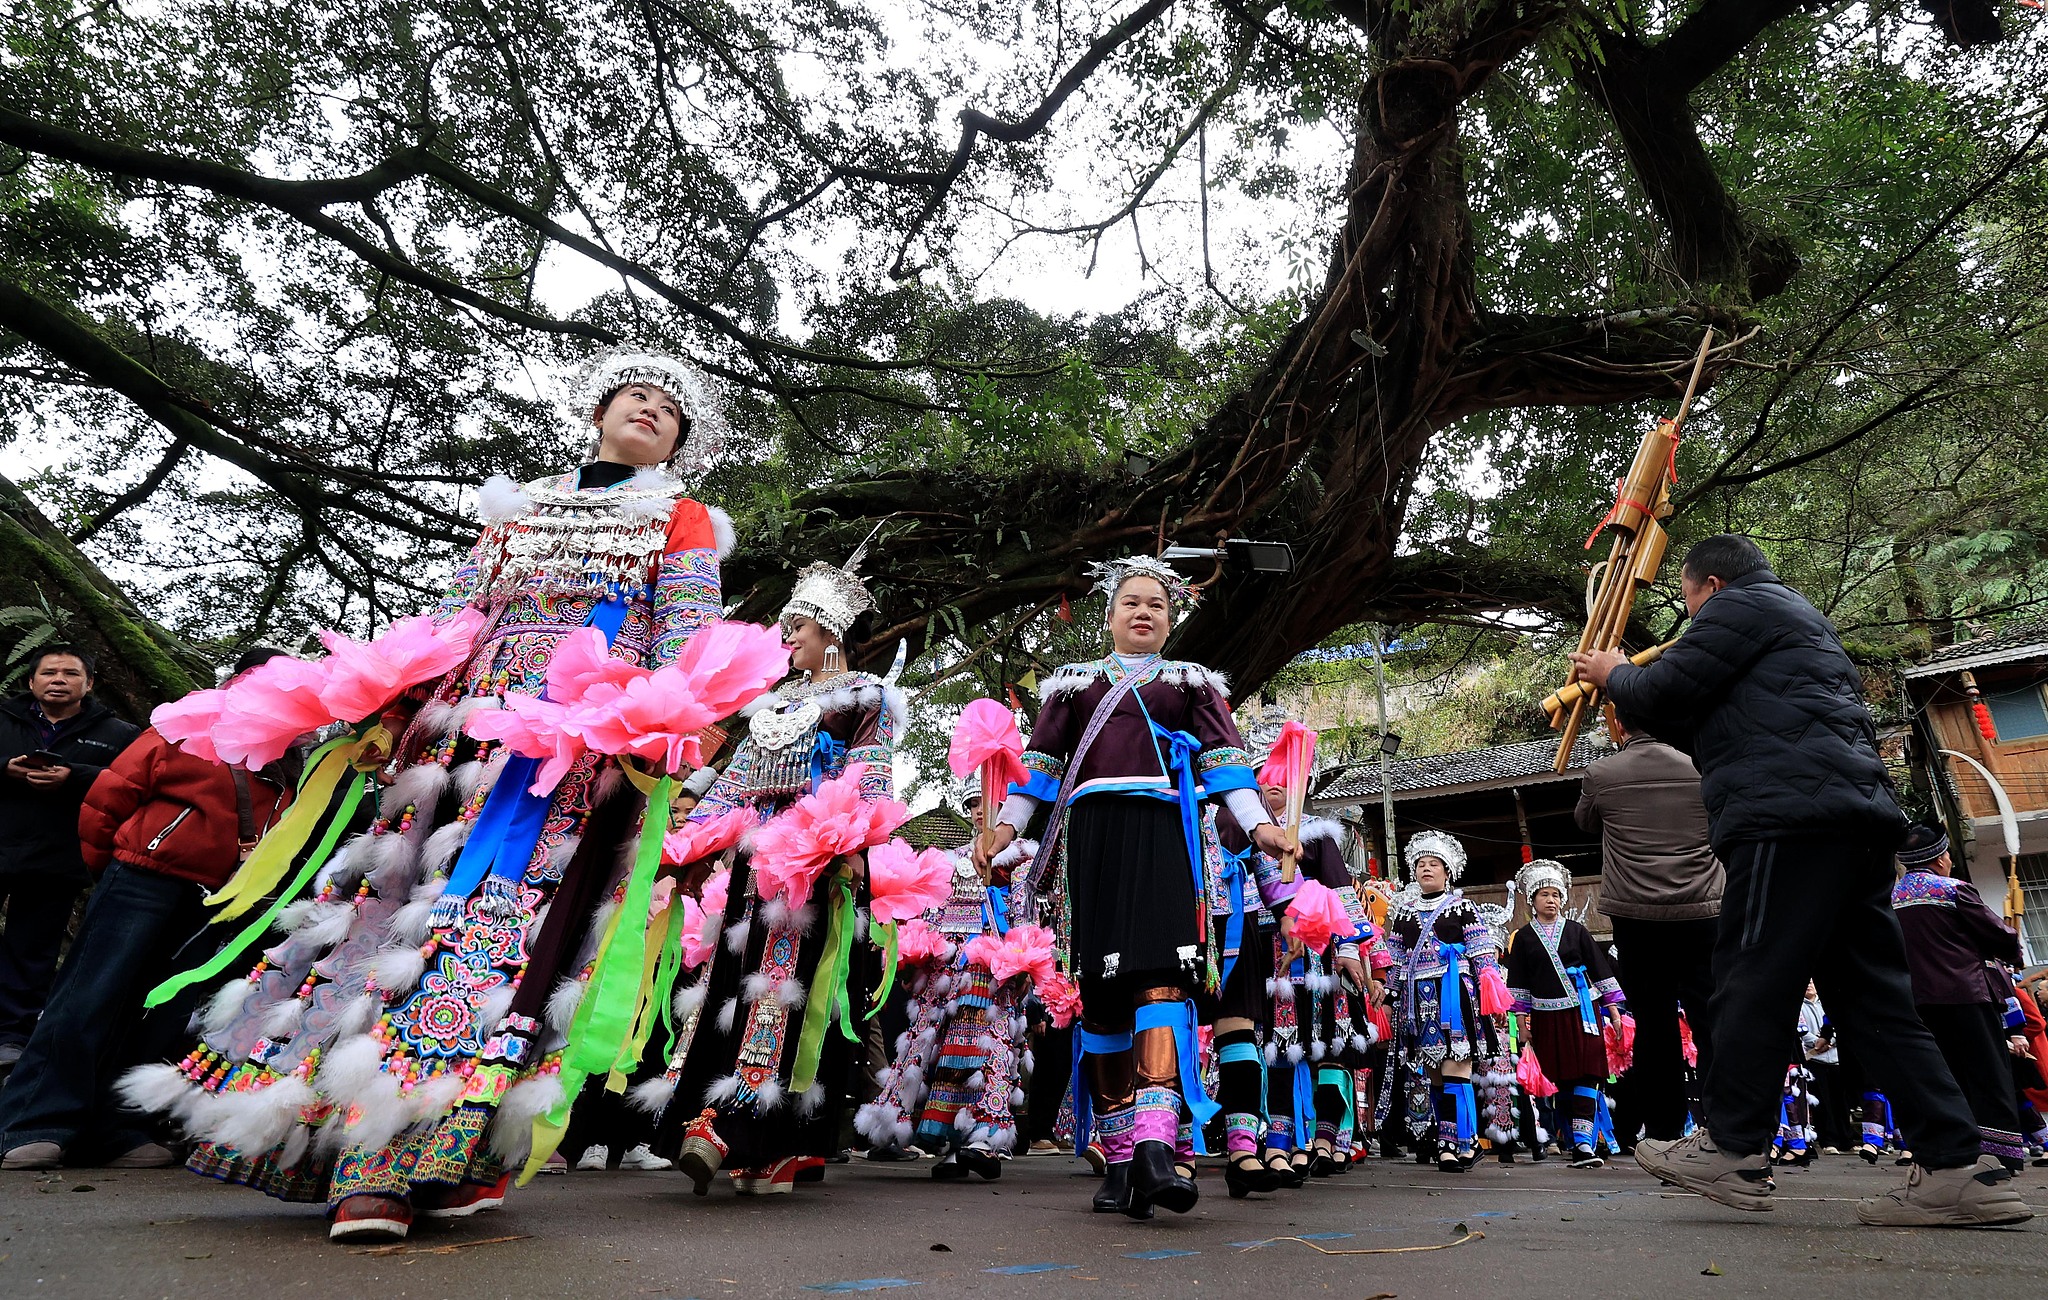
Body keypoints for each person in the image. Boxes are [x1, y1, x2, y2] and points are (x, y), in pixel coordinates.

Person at [120, 348, 735, 1242]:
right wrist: (397, 709)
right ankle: (326, 1129)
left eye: (669, 410)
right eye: (635, 395)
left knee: (507, 935)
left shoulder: (681, 517)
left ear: (678, 442)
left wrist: (660, 736)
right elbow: (456, 621)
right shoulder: (520, 505)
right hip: (459, 740)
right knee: (383, 918)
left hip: (573, 757)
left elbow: (688, 639)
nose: (651, 409)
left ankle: (413, 1153)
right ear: (599, 412)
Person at [1572, 532, 2029, 1226]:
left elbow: (1663, 688)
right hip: (1850, 821)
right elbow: (1702, 720)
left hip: (1788, 821)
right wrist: (1630, 692)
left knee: (1749, 976)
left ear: (1712, 585)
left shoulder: (1740, 606)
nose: (1691, 615)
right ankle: (1956, 1168)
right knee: (1872, 999)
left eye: (1689, 600)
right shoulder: (1800, 626)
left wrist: (1614, 673)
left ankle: (1733, 1147)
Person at [975, 555, 1287, 1220]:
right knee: (1102, 999)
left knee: (1163, 981)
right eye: (1131, 603)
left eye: (1157, 605)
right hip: (1092, 843)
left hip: (1165, 837)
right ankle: (1118, 1161)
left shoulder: (1191, 683)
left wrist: (1262, 828)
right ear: (1110, 615)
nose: (1144, 613)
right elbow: (1037, 772)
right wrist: (1003, 829)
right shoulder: (1073, 686)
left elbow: (1227, 768)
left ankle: (1153, 1145)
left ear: (1171, 621)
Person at [661, 553, 905, 1197]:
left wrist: (851, 845)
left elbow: (870, 775)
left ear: (831, 630)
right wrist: (690, 850)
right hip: (755, 860)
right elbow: (734, 784)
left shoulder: (868, 695)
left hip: (815, 857)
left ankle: (755, 1131)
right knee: (735, 983)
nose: (787, 635)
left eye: (797, 624)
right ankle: (750, 1134)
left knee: (790, 989)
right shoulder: (773, 702)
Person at [0, 649, 296, 1170]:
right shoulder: (189, 724)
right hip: (144, 878)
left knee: (166, 1012)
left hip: (218, 897)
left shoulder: (295, 753)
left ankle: (118, 1127)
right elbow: (109, 799)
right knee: (89, 995)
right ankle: (33, 1121)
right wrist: (118, 867)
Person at [1573, 704, 1720, 1144]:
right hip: (1703, 909)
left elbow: (1584, 821)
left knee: (1655, 1026)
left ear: (1619, 724)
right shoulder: (1702, 765)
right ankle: (1728, 1126)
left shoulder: (1602, 773)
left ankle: (1663, 1132)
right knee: (1712, 1018)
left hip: (1637, 916)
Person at [0, 646, 141, 1068]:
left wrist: (74, 775)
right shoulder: (3, 718)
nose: (58, 680)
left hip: (58, 858)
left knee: (32, 952)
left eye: (70, 673)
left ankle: (11, 1036)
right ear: (31, 681)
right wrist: (5, 768)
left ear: (89, 683)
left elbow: (132, 784)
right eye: (49, 673)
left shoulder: (119, 733)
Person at [1890, 825, 2028, 1172]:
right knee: (1988, 1075)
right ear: (1939, 860)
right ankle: (2000, 1155)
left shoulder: (1891, 899)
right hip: (1967, 995)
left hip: (1918, 1001)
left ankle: (1958, 1150)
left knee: (1944, 1077)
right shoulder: (1953, 890)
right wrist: (2012, 945)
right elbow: (1998, 935)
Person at [1375, 831, 1510, 1173]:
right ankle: (1461, 1142)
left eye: (1434, 864)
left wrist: (1493, 997)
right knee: (1434, 1073)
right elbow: (1396, 961)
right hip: (1417, 1002)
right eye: (1420, 864)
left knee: (1455, 1068)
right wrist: (1388, 998)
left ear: (1448, 871)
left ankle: (1451, 1144)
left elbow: (1483, 955)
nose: (1426, 868)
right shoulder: (1404, 913)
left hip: (1454, 996)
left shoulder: (1462, 907)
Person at [1504, 859, 1623, 1168]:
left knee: (1589, 1073)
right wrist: (1522, 1024)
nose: (1551, 900)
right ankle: (1562, 1137)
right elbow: (1519, 983)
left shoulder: (1577, 931)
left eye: (1556, 895)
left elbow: (1599, 969)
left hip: (1584, 1014)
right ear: (1532, 900)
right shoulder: (1525, 938)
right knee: (1558, 1078)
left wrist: (1613, 1011)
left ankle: (1583, 1144)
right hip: (1547, 1017)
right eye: (1544, 895)